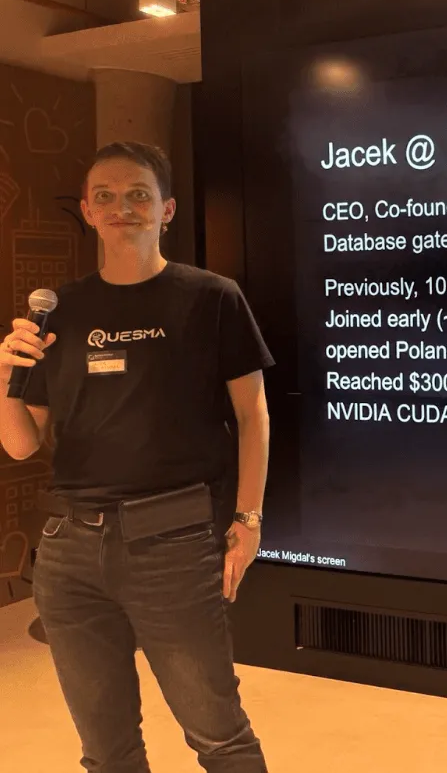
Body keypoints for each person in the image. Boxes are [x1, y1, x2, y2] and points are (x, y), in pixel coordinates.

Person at [0, 141, 274, 772]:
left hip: (173, 543)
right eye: (104, 197)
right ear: (90, 214)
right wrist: (7, 375)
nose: (120, 207)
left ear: (167, 208)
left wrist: (249, 520)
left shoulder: (211, 297)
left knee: (219, 736)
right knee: (106, 751)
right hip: (68, 552)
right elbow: (20, 442)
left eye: (137, 195)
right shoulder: (62, 311)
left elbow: (253, 417)